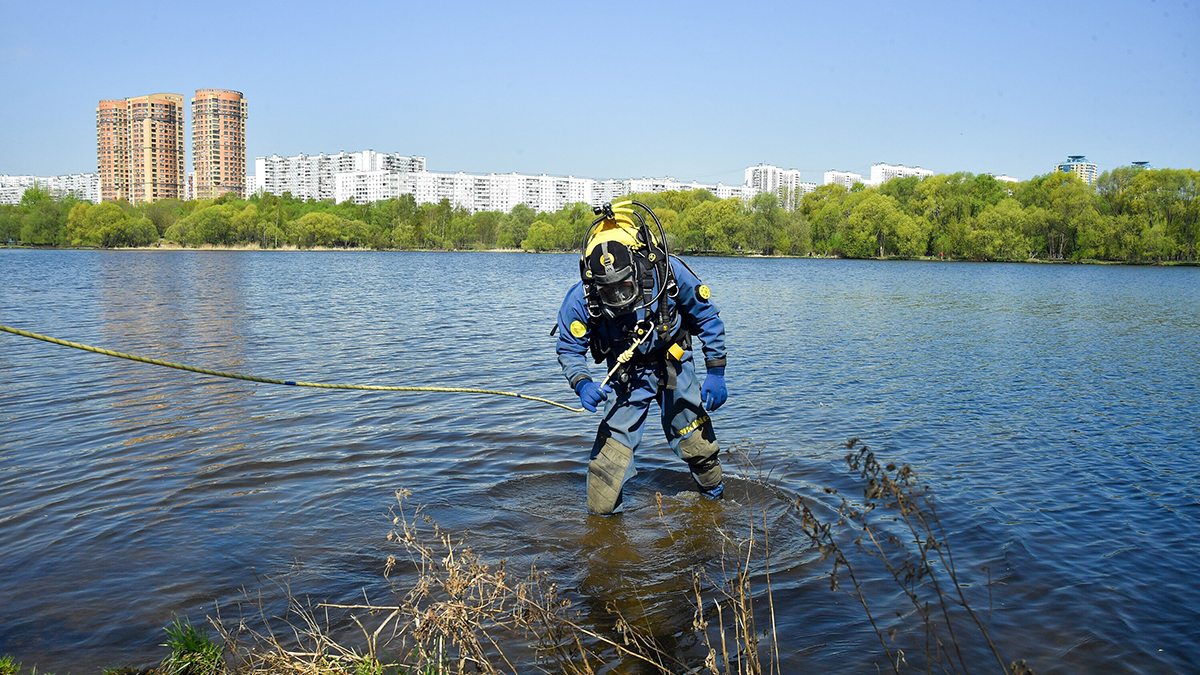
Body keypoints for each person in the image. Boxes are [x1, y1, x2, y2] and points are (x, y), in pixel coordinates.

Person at [555, 202, 728, 515]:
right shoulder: (581, 299)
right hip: (626, 378)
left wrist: (716, 370)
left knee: (698, 447)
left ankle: (716, 503)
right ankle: (603, 538)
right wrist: (581, 383)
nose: (619, 297)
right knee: (606, 473)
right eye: (611, 292)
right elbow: (569, 348)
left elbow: (707, 316)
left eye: (624, 287)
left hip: (674, 363)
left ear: (636, 270)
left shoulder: (668, 273)